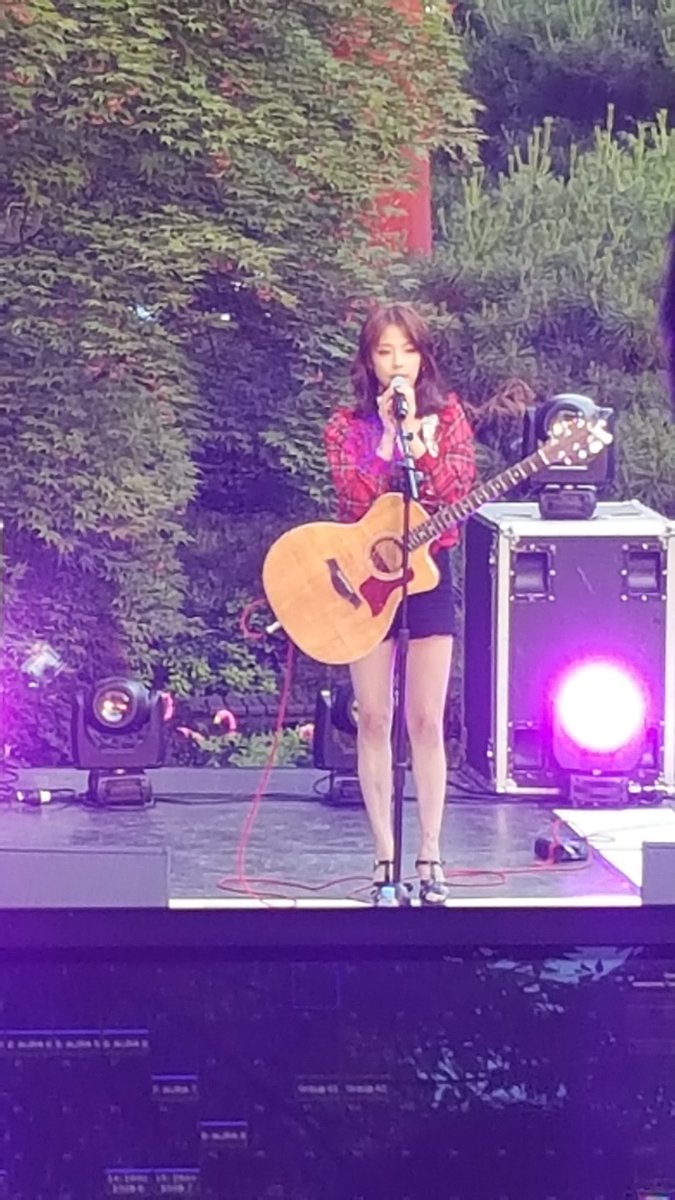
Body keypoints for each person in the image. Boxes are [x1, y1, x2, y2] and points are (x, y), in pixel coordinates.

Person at [324, 302, 476, 906]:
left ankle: (431, 852)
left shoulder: (450, 417)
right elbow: (354, 493)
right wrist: (387, 437)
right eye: (385, 351)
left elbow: (455, 491)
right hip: (366, 579)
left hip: (429, 574)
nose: (397, 364)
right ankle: (384, 856)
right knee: (374, 716)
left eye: (408, 351)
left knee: (426, 719)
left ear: (423, 358)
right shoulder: (346, 426)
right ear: (369, 360)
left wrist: (419, 441)